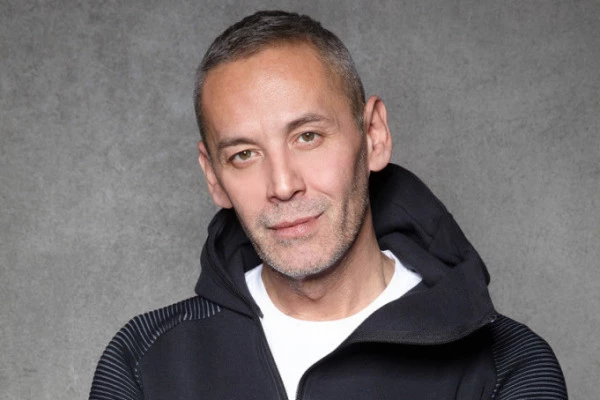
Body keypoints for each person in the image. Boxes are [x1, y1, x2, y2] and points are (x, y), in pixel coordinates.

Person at [89, 10, 567, 400]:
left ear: (373, 135)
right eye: (244, 154)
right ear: (214, 175)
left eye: (308, 136)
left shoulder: (508, 367)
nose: (283, 185)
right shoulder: (145, 360)